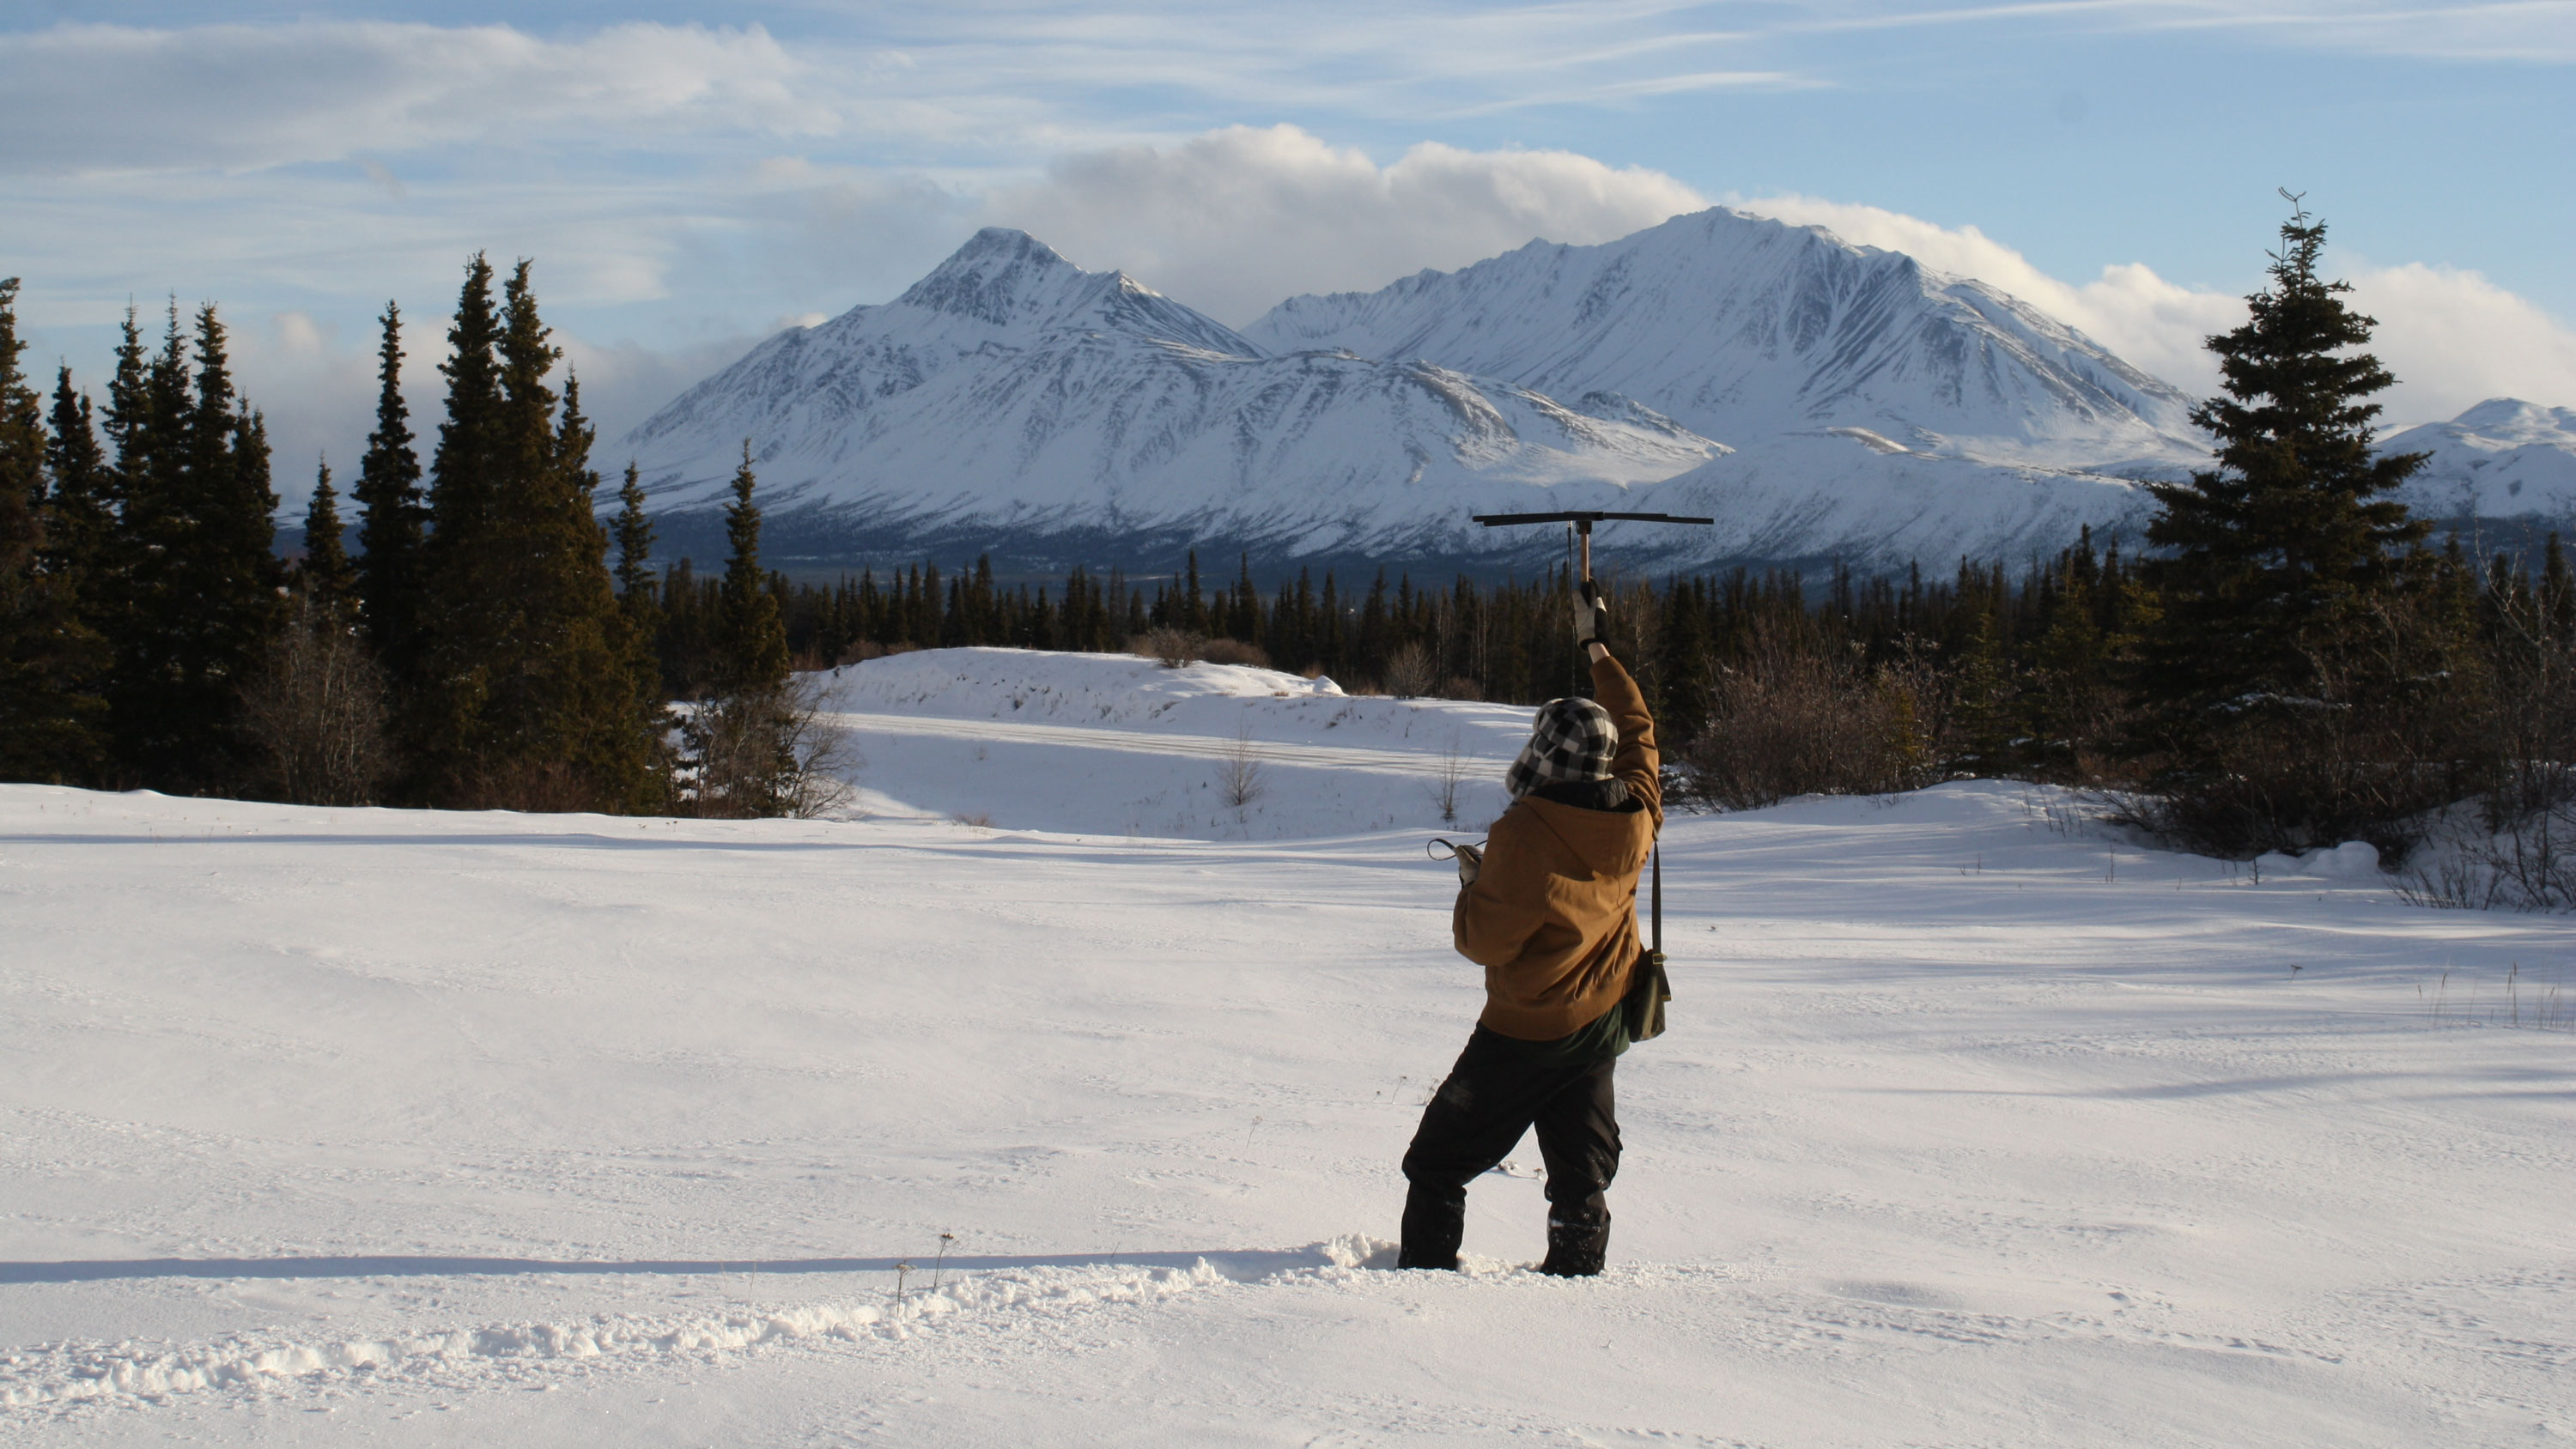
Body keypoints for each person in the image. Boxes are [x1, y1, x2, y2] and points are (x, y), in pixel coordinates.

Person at [1400, 581, 1659, 1276]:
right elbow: (1638, 730)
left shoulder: (1524, 834)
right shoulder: (1638, 813)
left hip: (1525, 1029)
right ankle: (1576, 1286)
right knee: (1581, 1175)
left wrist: (1473, 886)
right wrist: (1598, 647)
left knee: (1435, 1163)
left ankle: (1419, 1284)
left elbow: (1484, 942)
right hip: (1603, 1020)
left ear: (1541, 755)